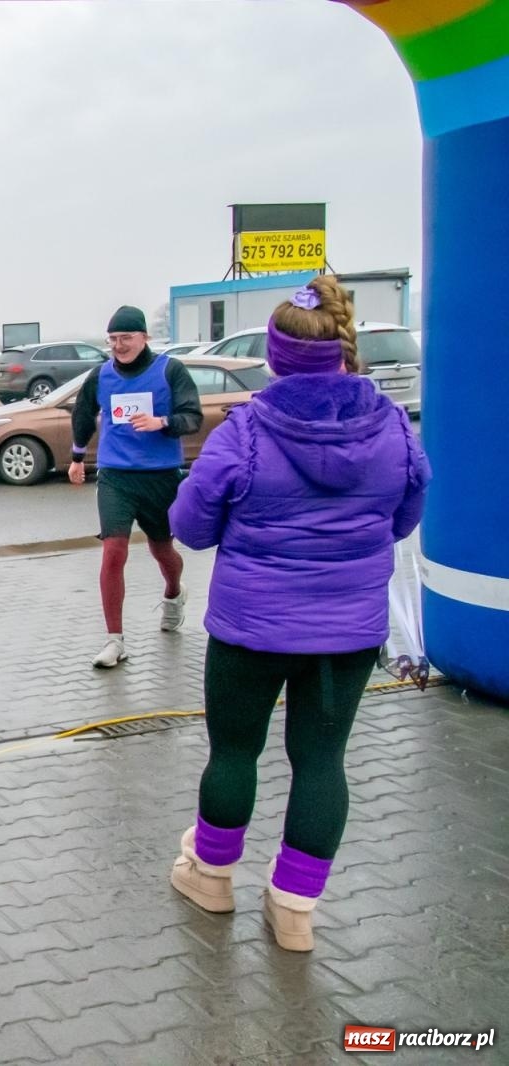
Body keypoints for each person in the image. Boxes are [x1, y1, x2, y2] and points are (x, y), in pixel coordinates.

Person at [166, 276, 429, 951]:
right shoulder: (395, 427)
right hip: (346, 635)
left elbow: (191, 528)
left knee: (234, 752)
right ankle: (294, 911)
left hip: (249, 630)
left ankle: (212, 877)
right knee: (321, 763)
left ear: (276, 359)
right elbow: (403, 519)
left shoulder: (246, 432)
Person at [68, 305, 202, 669]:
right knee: (113, 551)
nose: (119, 345)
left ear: (145, 337)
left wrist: (162, 422)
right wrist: (78, 457)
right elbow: (82, 414)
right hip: (115, 476)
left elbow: (193, 418)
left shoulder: (170, 371)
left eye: (126, 338)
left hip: (160, 476)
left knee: (163, 552)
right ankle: (115, 640)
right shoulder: (101, 376)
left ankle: (174, 593)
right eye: (113, 339)